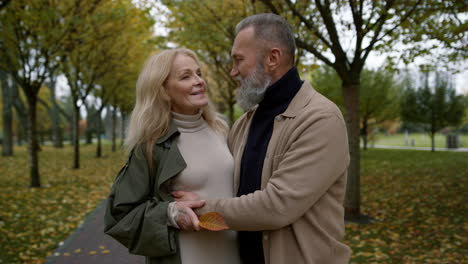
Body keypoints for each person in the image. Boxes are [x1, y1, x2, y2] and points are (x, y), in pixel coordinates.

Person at [173, 13, 352, 264]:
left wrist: (200, 208)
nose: (233, 72)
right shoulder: (245, 123)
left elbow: (277, 206)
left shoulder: (321, 119)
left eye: (239, 60)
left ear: (272, 58)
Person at [104, 48, 241, 264]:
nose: (199, 81)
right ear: (163, 91)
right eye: (186, 76)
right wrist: (170, 213)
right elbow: (120, 215)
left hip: (234, 254)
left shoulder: (222, 130)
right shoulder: (150, 146)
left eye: (199, 73)